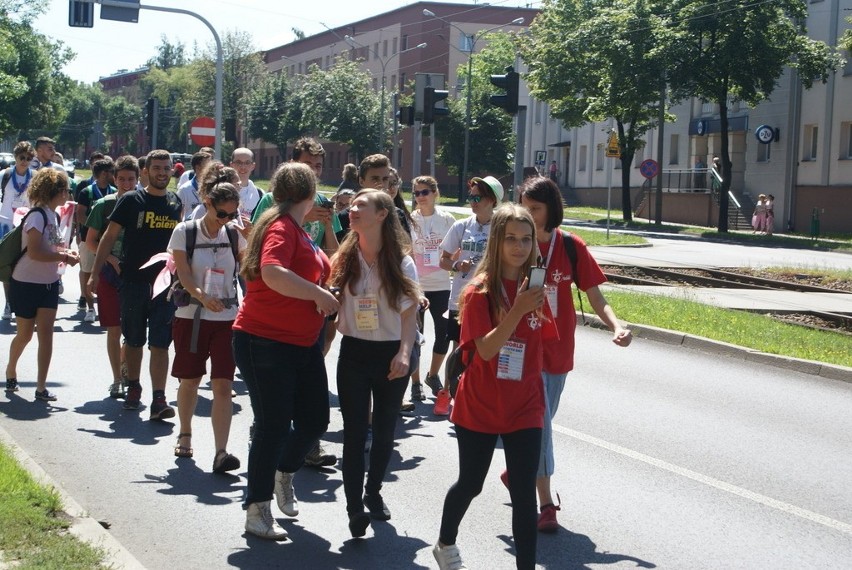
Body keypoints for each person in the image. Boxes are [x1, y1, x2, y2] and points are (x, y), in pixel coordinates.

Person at [432, 203, 545, 570]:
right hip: (481, 402)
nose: (519, 246)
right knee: (471, 484)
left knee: (525, 492)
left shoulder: (535, 287)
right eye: (510, 238)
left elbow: (547, 343)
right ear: (496, 242)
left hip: (525, 404)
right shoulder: (478, 292)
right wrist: (518, 309)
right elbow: (485, 349)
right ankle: (445, 543)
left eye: (526, 239)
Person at [232, 162, 339, 539]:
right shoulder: (280, 226)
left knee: (315, 421)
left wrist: (324, 292)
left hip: (301, 342)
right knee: (272, 426)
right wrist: (318, 293)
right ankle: (256, 509)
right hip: (265, 340)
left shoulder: (296, 227)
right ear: (310, 194)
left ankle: (283, 473)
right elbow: (273, 272)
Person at [519, 177, 632, 532]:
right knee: (540, 426)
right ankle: (546, 504)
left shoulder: (570, 246)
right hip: (521, 348)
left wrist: (616, 325)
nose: (528, 214)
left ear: (551, 209)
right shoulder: (514, 243)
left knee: (539, 426)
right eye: (524, 206)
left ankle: (519, 469)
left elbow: (596, 296)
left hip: (557, 350)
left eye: (534, 209)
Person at [328, 188, 420, 538]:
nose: (352, 209)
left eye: (361, 206)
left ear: (382, 214)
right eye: (351, 206)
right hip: (353, 352)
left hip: (390, 355)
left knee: (383, 433)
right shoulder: (344, 258)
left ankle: (373, 492)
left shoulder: (401, 261)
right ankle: (354, 509)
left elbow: (410, 315)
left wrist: (405, 354)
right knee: (353, 435)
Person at [87, 149, 182, 419]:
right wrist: (95, 274)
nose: (162, 173)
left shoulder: (175, 203)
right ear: (146, 171)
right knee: (134, 340)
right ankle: (133, 387)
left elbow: (179, 247)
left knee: (161, 343)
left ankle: (159, 398)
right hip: (133, 282)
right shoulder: (131, 200)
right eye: (157, 168)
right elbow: (108, 237)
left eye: (166, 168)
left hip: (165, 286)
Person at [170, 178, 246, 473]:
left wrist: (251, 239)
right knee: (189, 380)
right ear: (208, 205)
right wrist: (201, 296)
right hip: (192, 316)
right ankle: (185, 433)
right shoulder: (184, 232)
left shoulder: (235, 235)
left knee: (223, 384)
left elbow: (250, 270)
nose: (226, 220)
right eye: (222, 214)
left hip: (226, 318)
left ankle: (221, 452)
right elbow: (185, 274)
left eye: (232, 214)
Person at [5, 168, 80, 399]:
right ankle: (11, 369)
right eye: (66, 189)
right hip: (25, 282)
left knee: (46, 334)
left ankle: (40, 387)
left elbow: (52, 248)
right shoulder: (37, 216)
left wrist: (66, 252)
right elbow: (36, 252)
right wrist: (64, 257)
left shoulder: (54, 216)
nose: (68, 193)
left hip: (48, 283)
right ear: (54, 192)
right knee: (25, 335)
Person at [435, 175, 503, 414]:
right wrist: (456, 266)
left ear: (493, 200)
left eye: (478, 197)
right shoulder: (461, 226)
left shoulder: (502, 227)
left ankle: (480, 397)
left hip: (490, 297)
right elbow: (442, 260)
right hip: (461, 298)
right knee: (459, 348)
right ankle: (447, 394)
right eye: (471, 196)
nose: (473, 201)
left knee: (486, 349)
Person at [83, 155, 137, 399]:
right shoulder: (103, 205)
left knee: (134, 330)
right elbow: (91, 241)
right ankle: (117, 379)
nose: (126, 183)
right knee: (114, 329)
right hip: (109, 273)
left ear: (138, 179)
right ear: (114, 179)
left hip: (135, 274)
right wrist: (110, 259)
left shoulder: (143, 203)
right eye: (122, 179)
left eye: (131, 179)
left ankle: (126, 367)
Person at [408, 175, 456, 403]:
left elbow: (456, 249)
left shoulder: (447, 220)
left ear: (435, 193)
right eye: (416, 193)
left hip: (441, 284)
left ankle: (432, 375)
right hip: (417, 286)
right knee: (415, 335)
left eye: (424, 192)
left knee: (444, 333)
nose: (420, 197)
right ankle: (415, 383)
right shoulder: (409, 219)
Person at [76, 157, 116, 322]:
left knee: (105, 272)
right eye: (111, 172)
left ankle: (103, 305)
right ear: (103, 173)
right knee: (87, 272)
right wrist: (96, 229)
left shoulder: (114, 191)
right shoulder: (87, 191)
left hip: (109, 240)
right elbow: (80, 214)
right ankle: (90, 306)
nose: (113, 175)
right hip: (89, 239)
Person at [1, 141, 36, 321]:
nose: (25, 161)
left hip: (27, 225)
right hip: (6, 225)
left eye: (29, 158)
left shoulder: (35, 177)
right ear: (15, 157)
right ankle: (8, 303)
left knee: (27, 265)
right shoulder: (4, 175)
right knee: (7, 266)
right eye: (22, 158)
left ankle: (24, 303)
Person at [176, 151, 212, 221]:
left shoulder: (215, 188)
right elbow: (178, 215)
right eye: (208, 165)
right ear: (198, 167)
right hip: (191, 230)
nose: (212, 168)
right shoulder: (184, 189)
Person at [230, 147, 264, 219]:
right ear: (231, 165)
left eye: (247, 163)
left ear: (253, 166)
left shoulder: (260, 194)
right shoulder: (222, 191)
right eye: (238, 162)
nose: (243, 167)